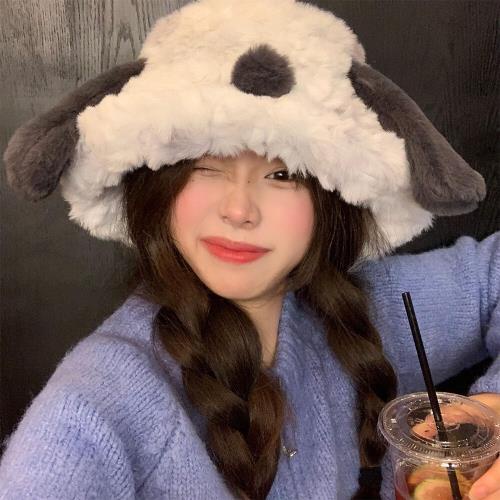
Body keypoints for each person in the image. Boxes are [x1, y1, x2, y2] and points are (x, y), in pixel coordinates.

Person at [1, 0, 498, 499]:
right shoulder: (91, 409)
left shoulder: (358, 308)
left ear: (332, 198)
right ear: (157, 185)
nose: (239, 210)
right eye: (205, 165)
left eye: (282, 174)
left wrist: (495, 408)